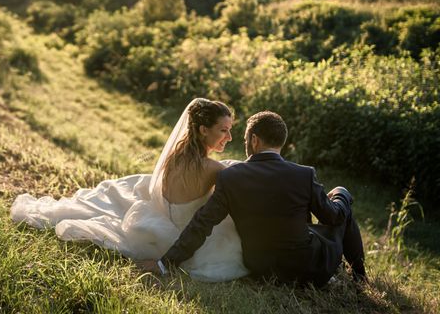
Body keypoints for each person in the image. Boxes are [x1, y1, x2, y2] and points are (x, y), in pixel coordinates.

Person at [10, 98, 248, 281]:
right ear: (204, 130)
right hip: (182, 238)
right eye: (223, 130)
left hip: (162, 220)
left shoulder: (176, 155)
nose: (228, 137)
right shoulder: (212, 169)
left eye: (230, 130)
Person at [140, 111, 366, 287]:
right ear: (281, 142)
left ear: (254, 140)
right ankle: (360, 276)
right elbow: (333, 216)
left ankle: (356, 274)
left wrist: (165, 262)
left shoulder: (230, 177)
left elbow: (202, 223)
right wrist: (342, 195)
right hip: (308, 268)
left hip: (260, 268)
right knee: (341, 201)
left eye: (246, 138)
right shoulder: (304, 174)